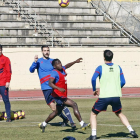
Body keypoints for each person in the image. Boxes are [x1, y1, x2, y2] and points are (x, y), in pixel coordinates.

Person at [86, 50, 138, 140]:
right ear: (112, 57)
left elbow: (93, 79)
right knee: (119, 113)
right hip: (116, 96)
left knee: (93, 114)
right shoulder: (118, 67)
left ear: (104, 57)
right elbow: (123, 81)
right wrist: (117, 88)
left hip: (104, 96)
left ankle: (93, 135)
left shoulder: (100, 68)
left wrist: (94, 90)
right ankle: (131, 130)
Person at [29, 45, 75, 129]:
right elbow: (31, 70)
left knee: (62, 103)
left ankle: (72, 122)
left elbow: (61, 68)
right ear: (42, 52)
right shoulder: (39, 61)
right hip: (45, 88)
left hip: (54, 87)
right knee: (54, 108)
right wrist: (34, 62)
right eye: (45, 50)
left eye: (48, 50)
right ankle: (65, 119)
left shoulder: (53, 62)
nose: (46, 52)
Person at [39, 58, 90, 132]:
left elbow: (67, 65)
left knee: (57, 112)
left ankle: (43, 124)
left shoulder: (62, 69)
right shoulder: (54, 72)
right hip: (58, 96)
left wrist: (75, 61)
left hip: (62, 95)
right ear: (54, 66)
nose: (60, 64)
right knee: (74, 104)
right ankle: (82, 124)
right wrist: (58, 88)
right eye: (58, 63)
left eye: (60, 62)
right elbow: (50, 83)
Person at [0, 44, 12, 122]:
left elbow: (9, 71)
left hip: (3, 83)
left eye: (0, 50)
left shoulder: (6, 59)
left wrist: (8, 81)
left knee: (6, 100)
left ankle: (8, 117)